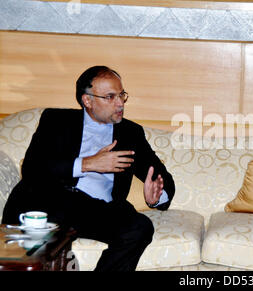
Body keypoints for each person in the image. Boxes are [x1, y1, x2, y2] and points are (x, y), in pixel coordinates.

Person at [2, 66, 176, 271]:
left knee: (140, 227)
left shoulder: (130, 133)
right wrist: (87, 164)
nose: (120, 103)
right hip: (52, 199)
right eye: (110, 97)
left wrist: (157, 196)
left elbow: (162, 178)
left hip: (96, 210)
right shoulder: (56, 121)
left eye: (121, 95)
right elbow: (33, 168)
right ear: (87, 100)